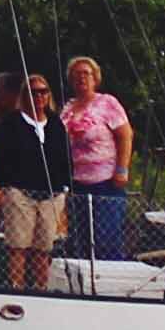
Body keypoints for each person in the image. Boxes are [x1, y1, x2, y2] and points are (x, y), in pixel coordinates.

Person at [0, 71, 66, 289]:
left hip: (50, 195)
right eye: (33, 92)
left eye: (43, 92)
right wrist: (7, 186)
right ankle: (17, 289)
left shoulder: (56, 124)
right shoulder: (11, 124)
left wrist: (63, 186)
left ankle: (41, 290)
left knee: (43, 249)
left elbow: (65, 157)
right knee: (18, 247)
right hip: (20, 194)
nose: (39, 97)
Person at [58, 55, 134, 262]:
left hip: (106, 182)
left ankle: (110, 286)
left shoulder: (107, 103)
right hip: (77, 183)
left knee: (106, 239)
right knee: (80, 239)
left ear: (95, 78)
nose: (81, 78)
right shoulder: (68, 108)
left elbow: (125, 135)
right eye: (76, 75)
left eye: (85, 73)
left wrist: (122, 169)